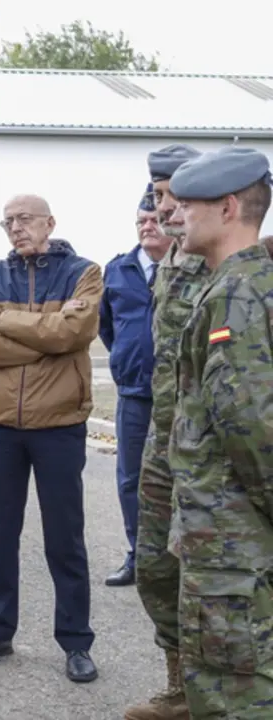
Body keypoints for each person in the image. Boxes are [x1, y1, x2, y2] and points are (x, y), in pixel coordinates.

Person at [0, 194, 101, 684]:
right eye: (7, 222)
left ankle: (76, 641)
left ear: (50, 223)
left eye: (24, 219)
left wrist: (10, 322)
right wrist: (46, 338)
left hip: (59, 427)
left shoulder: (84, 272)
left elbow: (75, 332)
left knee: (65, 540)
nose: (15, 228)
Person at [164, 146, 273, 719]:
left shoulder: (238, 292)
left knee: (235, 693)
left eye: (188, 206)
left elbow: (250, 425)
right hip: (226, 537)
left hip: (234, 544)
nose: (175, 217)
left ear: (228, 207)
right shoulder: (236, 284)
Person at [125, 143, 202, 720]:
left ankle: (215, 692)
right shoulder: (169, 259)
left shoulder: (230, 258)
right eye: (158, 195)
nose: (166, 206)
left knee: (214, 574)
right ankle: (178, 681)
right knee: (154, 567)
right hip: (162, 437)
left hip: (206, 445)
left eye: (174, 194)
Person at [98, 185, 170, 590]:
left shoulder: (187, 266)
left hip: (177, 394)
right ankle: (138, 555)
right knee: (131, 479)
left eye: (154, 220)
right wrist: (127, 357)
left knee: (179, 475)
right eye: (141, 221)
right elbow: (107, 328)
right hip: (133, 393)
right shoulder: (119, 269)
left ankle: (177, 557)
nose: (147, 226)